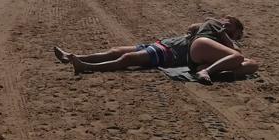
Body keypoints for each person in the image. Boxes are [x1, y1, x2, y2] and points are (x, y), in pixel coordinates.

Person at [54, 17, 258, 85]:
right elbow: (192, 29)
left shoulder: (219, 33)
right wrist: (224, 32)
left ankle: (85, 66)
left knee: (127, 58)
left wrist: (226, 36)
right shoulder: (214, 25)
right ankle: (74, 57)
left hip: (171, 52)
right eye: (235, 31)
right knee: (117, 50)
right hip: (167, 45)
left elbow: (233, 50)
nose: (232, 33)